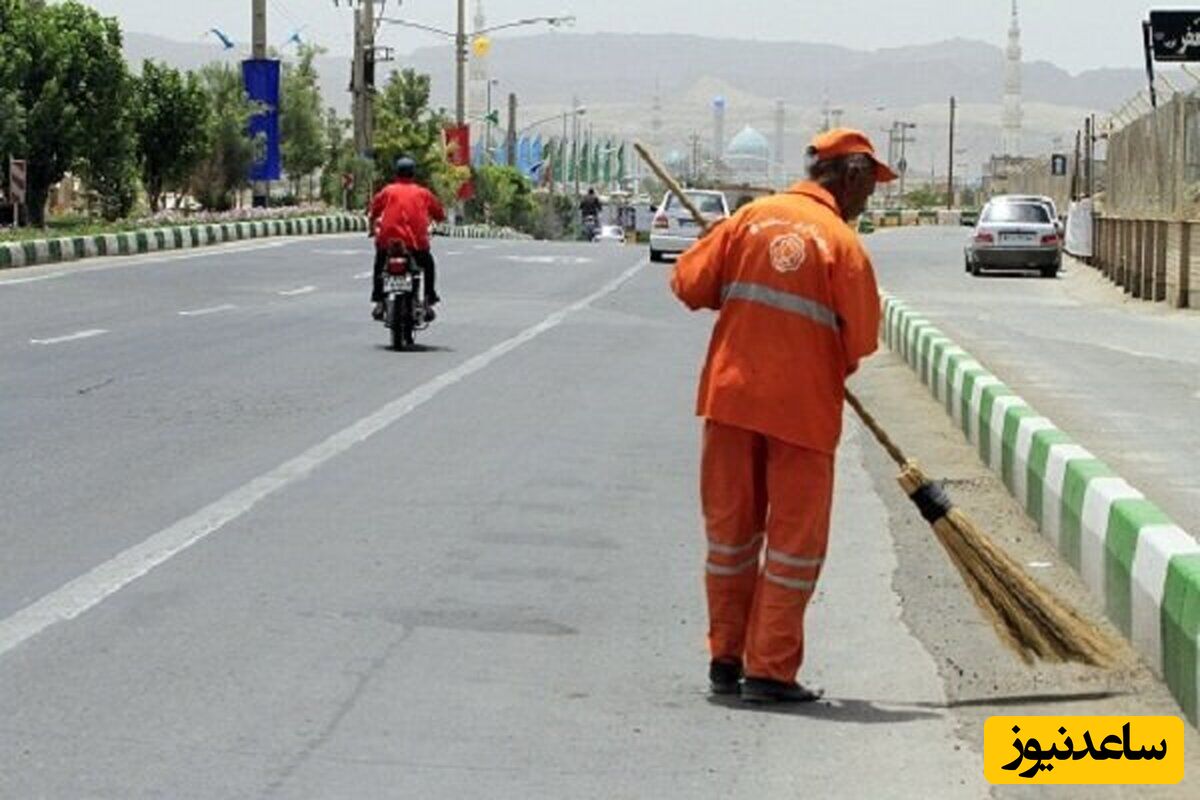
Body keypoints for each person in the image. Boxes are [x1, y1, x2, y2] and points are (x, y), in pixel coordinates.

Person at [670, 128, 896, 704]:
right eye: (870, 185)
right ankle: (768, 669)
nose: (870, 198)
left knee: (731, 540)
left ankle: (726, 658)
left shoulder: (749, 219)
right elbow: (862, 340)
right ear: (849, 177)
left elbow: (688, 285)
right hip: (802, 415)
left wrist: (729, 272)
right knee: (794, 548)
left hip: (730, 402)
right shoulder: (843, 246)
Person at [368, 156, 446, 321]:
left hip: (388, 243)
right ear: (413, 174)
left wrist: (371, 230)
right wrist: (436, 222)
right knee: (428, 265)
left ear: (396, 173)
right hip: (416, 244)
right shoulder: (423, 193)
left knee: (380, 264)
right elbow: (439, 214)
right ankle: (428, 299)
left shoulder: (388, 191)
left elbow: (373, 212)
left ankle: (379, 300)